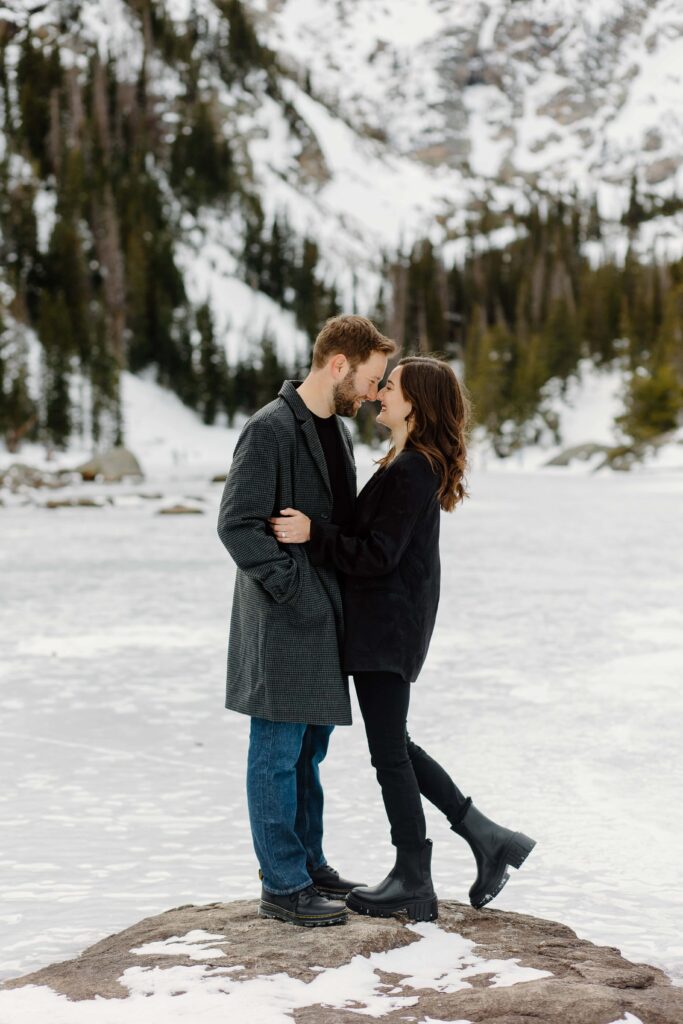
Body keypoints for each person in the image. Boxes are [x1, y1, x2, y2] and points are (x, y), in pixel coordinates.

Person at [269, 355, 536, 922]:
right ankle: (486, 839)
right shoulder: (404, 462)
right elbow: (375, 540)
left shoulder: (413, 468)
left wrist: (314, 535)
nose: (380, 393)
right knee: (397, 747)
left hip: (387, 628)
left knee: (390, 752)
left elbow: (378, 554)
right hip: (386, 626)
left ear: (415, 402)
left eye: (390, 386)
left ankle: (416, 876)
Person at [217, 314, 396, 927]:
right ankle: (282, 885)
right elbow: (237, 525)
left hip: (326, 617)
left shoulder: (336, 432)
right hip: (282, 618)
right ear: (339, 364)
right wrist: (293, 587)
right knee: (275, 750)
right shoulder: (270, 429)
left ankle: (309, 865)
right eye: (371, 379)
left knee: (309, 751)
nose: (374, 393)